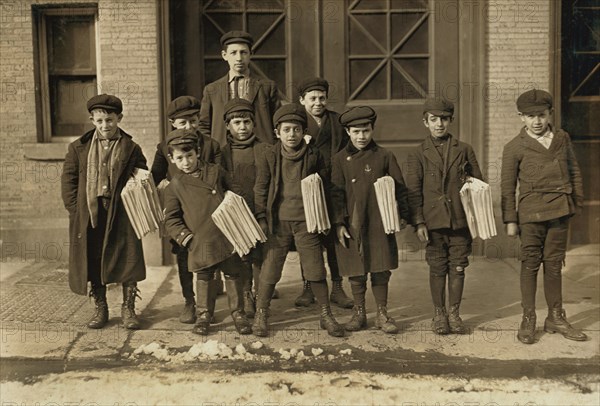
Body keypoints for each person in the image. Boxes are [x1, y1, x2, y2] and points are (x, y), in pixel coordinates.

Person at [501, 89, 587, 344]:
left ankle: (555, 316)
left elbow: (574, 172)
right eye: (530, 116)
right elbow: (507, 187)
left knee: (554, 265)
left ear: (550, 113)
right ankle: (529, 318)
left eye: (541, 115)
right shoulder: (514, 147)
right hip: (530, 214)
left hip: (560, 210)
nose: (536, 121)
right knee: (529, 265)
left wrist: (576, 203)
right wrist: (510, 220)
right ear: (521, 117)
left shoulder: (562, 138)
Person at [252, 104, 345, 338]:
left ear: (303, 131)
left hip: (307, 222)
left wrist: (328, 218)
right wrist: (262, 218)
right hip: (278, 223)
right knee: (270, 270)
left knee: (315, 267)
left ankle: (326, 314)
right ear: (277, 133)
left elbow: (328, 187)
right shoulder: (270, 155)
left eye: (296, 129)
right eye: (286, 130)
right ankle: (261, 313)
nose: (291, 134)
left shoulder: (314, 155)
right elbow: (261, 188)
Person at [61, 94, 147, 330]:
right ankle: (101, 308)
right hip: (91, 212)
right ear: (92, 120)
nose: (104, 126)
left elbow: (142, 176)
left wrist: (135, 190)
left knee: (129, 259)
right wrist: (75, 210)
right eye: (99, 121)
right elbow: (68, 181)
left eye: (109, 120)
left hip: (122, 212)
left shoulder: (131, 147)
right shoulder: (79, 147)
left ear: (119, 118)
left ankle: (128, 308)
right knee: (94, 259)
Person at [163, 128, 252, 336]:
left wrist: (238, 213)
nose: (186, 162)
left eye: (190, 156)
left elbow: (234, 190)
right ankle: (204, 314)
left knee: (232, 273)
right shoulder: (174, 186)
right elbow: (171, 219)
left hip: (226, 234)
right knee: (204, 276)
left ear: (198, 152)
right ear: (172, 159)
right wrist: (187, 238)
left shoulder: (216, 171)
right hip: (200, 239)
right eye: (180, 158)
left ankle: (238, 313)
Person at [405, 98, 483, 335]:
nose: (439, 124)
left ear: (451, 121)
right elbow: (414, 191)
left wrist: (476, 216)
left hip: (460, 221)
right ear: (425, 122)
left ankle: (455, 313)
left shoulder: (464, 149)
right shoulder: (417, 153)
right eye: (434, 119)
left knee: (458, 267)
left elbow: (479, 184)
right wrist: (418, 221)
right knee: (437, 267)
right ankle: (439, 313)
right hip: (433, 222)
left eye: (444, 119)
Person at [331, 106, 410, 334]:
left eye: (365, 131)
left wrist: (402, 215)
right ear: (347, 132)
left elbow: (400, 187)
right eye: (356, 132)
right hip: (353, 220)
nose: (361, 136)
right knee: (356, 267)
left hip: (378, 220)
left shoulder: (384, 156)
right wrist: (338, 223)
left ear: (372, 129)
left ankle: (382, 313)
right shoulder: (339, 160)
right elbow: (335, 193)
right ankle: (359, 312)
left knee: (380, 265)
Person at [151, 95, 222, 325]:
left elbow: (221, 175)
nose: (189, 127)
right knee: (184, 256)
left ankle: (209, 303)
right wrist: (160, 185)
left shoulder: (210, 144)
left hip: (209, 211)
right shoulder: (164, 147)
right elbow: (155, 176)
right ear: (173, 123)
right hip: (182, 213)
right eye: (183, 123)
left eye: (193, 120)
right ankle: (190, 301)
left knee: (216, 256)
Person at [294, 77, 353, 309]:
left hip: (333, 187)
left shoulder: (337, 121)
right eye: (312, 98)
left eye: (322, 98)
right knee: (309, 241)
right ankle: (308, 286)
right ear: (302, 100)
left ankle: (338, 288)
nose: (318, 103)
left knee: (334, 242)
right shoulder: (296, 123)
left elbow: (348, 151)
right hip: (307, 189)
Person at [220, 98, 269, 317]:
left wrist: (264, 212)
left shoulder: (265, 149)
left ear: (253, 124)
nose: (242, 127)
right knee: (243, 256)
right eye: (237, 122)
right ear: (228, 126)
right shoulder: (222, 153)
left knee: (261, 255)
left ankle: (261, 297)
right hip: (237, 212)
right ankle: (246, 293)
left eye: (247, 122)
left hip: (261, 209)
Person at [198, 30, 281, 147]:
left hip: (260, 151)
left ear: (251, 54)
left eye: (243, 52)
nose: (239, 58)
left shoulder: (267, 86)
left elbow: (278, 123)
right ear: (224, 55)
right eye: (233, 53)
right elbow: (204, 126)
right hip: (224, 153)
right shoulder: (212, 90)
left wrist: (271, 149)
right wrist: (213, 149)